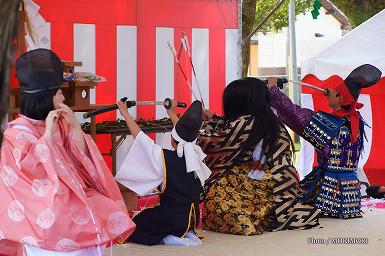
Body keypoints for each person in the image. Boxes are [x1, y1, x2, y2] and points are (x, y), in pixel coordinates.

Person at [0, 49, 136, 256]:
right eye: (59, 92)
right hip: (39, 203)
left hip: (71, 191)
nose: (63, 96)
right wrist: (47, 136)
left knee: (103, 204)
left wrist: (74, 127)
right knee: (69, 214)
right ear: (46, 96)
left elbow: (80, 158)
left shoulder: (61, 121)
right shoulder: (17, 132)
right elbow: (29, 175)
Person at [196, 77, 319, 236]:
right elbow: (231, 130)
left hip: (260, 182)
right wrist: (212, 118)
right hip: (280, 184)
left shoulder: (245, 122)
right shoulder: (268, 120)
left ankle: (255, 216)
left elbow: (214, 142)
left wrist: (188, 134)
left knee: (216, 200)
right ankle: (266, 215)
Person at [267, 64, 382, 219]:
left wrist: (274, 90)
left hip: (329, 191)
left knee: (284, 201)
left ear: (341, 99)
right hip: (350, 196)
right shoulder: (356, 120)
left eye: (334, 92)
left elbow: (295, 114)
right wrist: (334, 97)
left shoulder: (330, 124)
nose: (329, 93)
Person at [115, 100, 211, 246]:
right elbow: (182, 135)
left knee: (134, 224)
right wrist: (171, 112)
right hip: (191, 219)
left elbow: (141, 140)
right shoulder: (196, 156)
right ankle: (185, 233)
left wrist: (125, 113)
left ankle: (168, 238)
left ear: (172, 139)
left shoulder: (165, 158)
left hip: (171, 219)